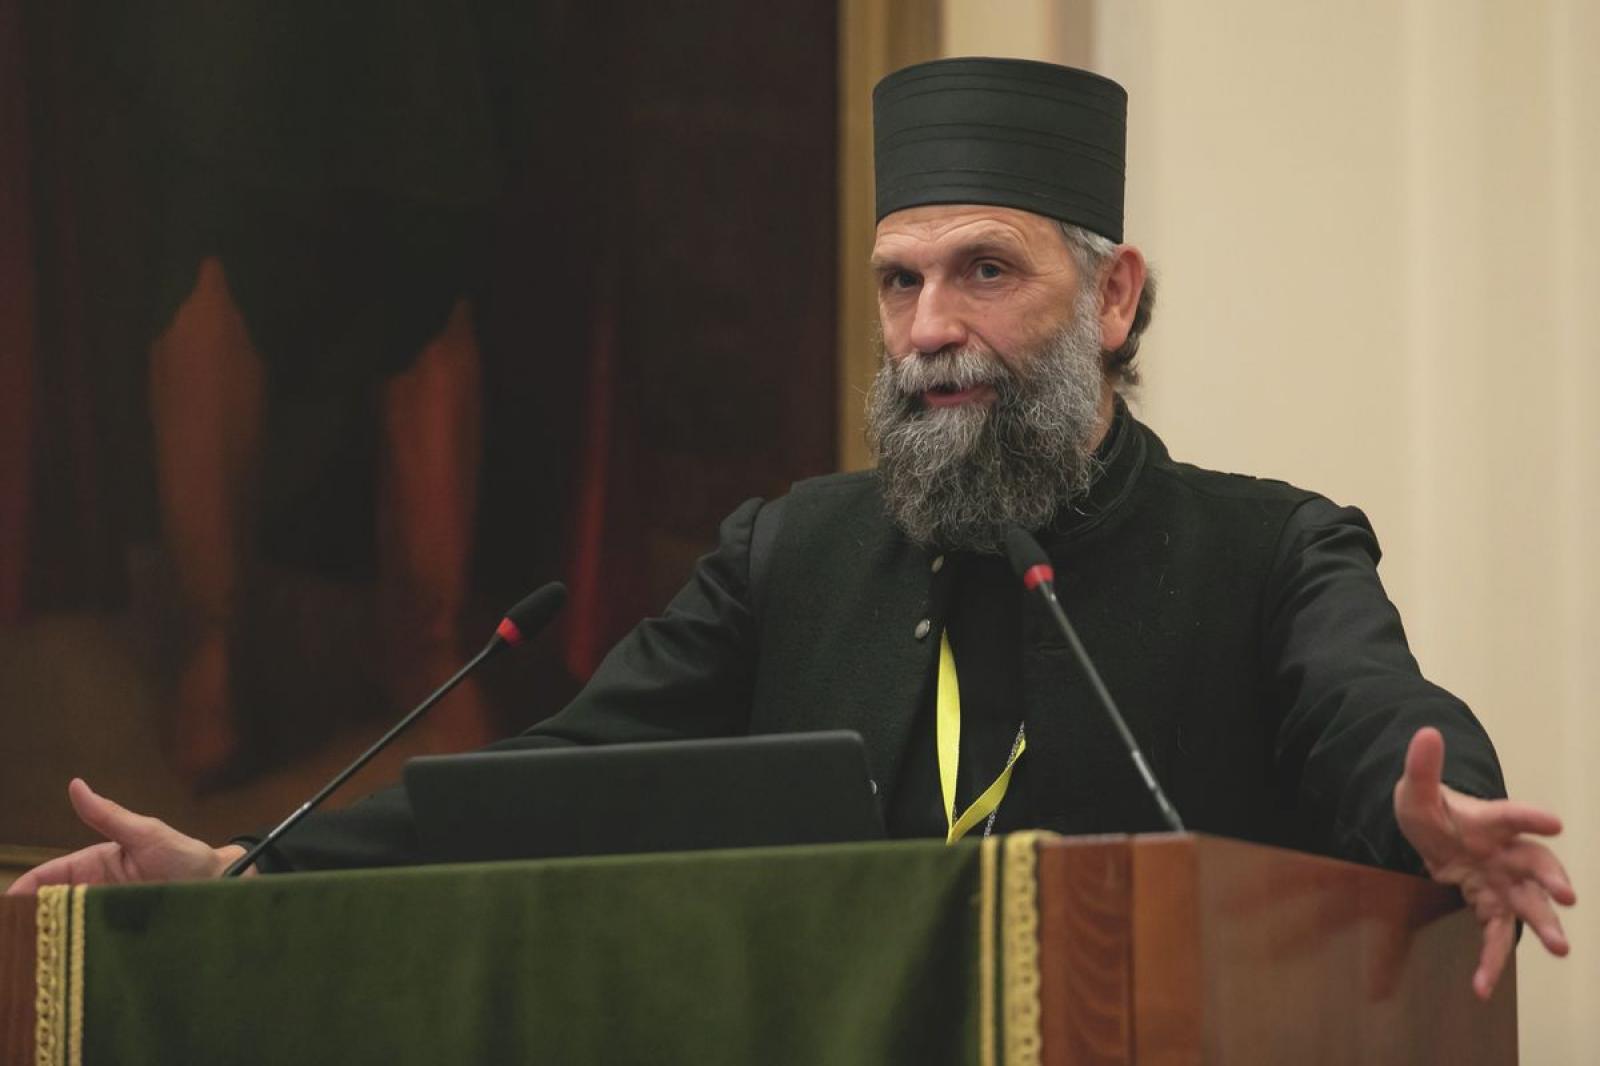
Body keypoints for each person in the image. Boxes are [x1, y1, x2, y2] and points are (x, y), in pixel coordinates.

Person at [8, 58, 1573, 1001]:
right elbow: (553, 788)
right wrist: (250, 865)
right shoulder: (791, 554)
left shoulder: (1272, 551)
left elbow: (1375, 721)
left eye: (985, 271)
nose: (929, 328)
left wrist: (1433, 808)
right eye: (900, 281)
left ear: (1113, 296)